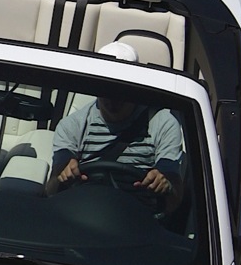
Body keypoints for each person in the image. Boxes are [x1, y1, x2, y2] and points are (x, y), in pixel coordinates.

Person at [45, 82, 185, 205]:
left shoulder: (163, 124)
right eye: (107, 89)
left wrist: (164, 185)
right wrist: (64, 175)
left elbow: (175, 194)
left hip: (140, 220)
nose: (114, 98)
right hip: (82, 213)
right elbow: (52, 188)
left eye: (122, 90)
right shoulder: (72, 126)